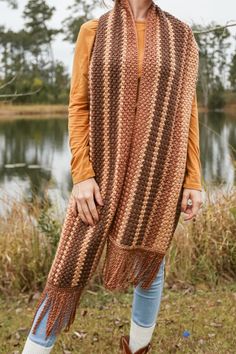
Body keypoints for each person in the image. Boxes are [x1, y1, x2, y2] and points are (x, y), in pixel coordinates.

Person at [22, 0, 203, 353]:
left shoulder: (182, 36)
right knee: (68, 266)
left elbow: (187, 110)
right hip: (101, 170)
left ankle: (137, 349)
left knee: (149, 262)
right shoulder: (93, 31)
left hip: (158, 169)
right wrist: (81, 174)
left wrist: (193, 178)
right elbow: (79, 106)